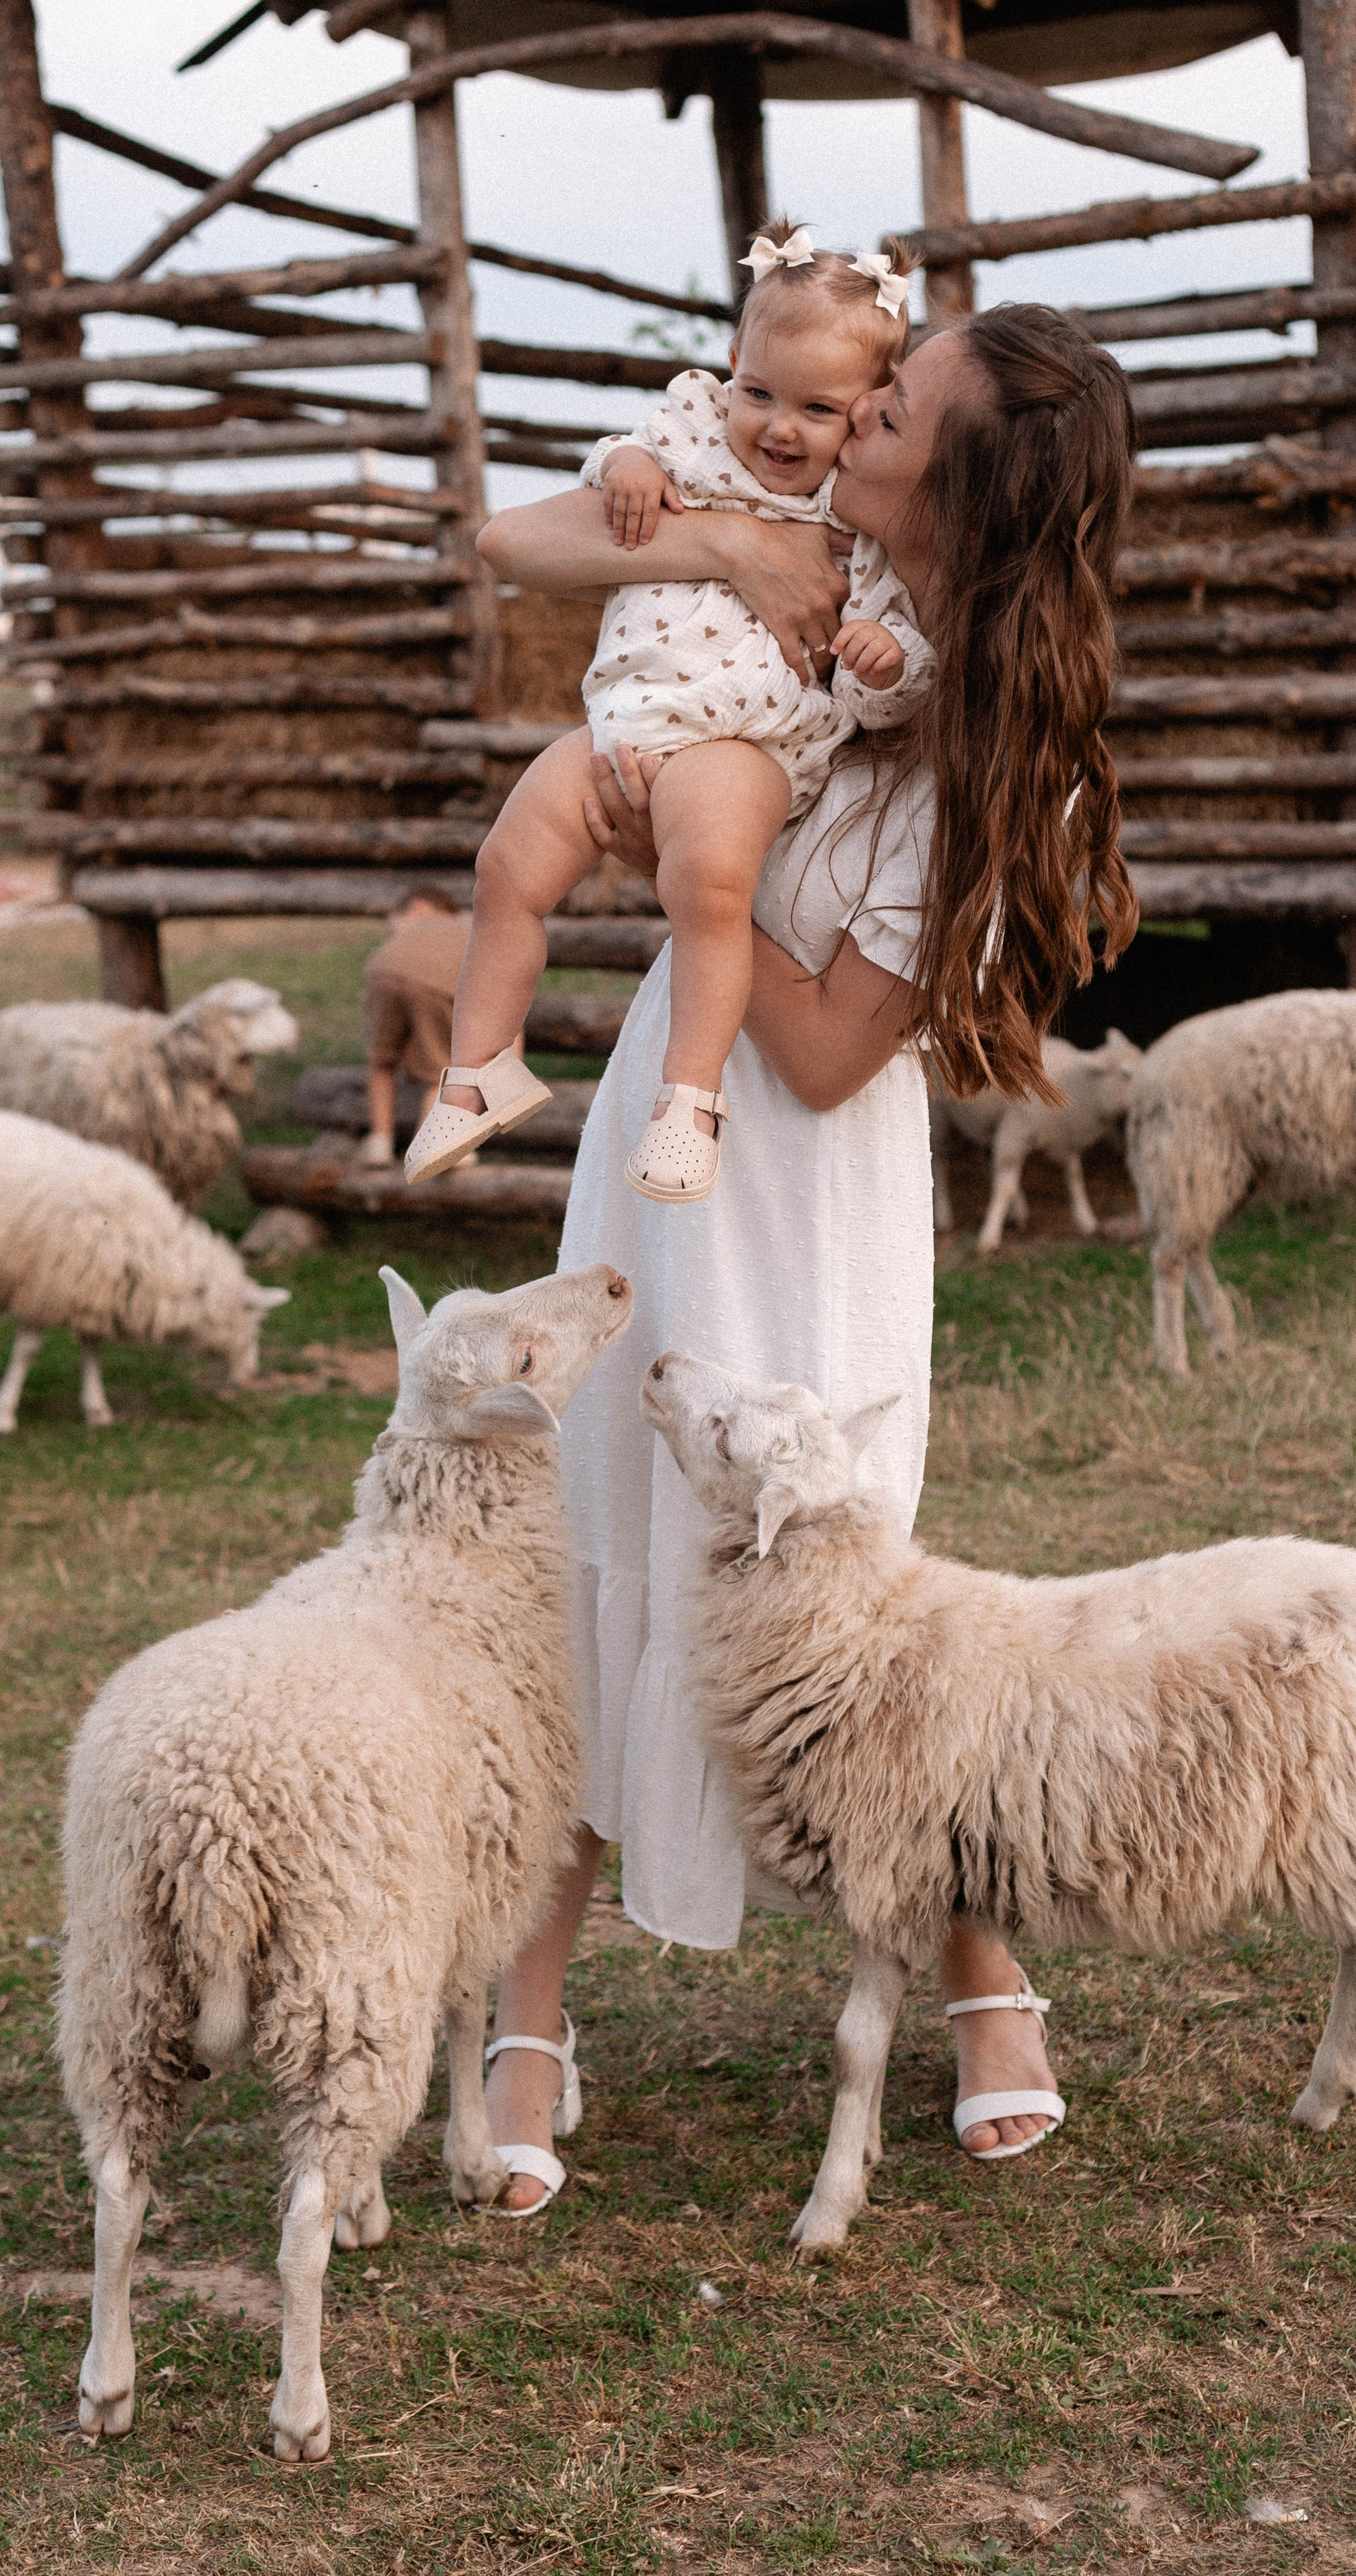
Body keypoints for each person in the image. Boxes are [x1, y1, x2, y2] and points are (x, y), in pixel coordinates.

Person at [468, 302, 1140, 2215]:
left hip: (813, 1194)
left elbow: (842, 1040)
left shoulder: (996, 754)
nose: (844, 420)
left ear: (968, 484)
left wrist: (695, 869)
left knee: (843, 1598)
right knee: (589, 1534)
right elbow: (516, 544)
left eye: (890, 413)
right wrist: (721, 548)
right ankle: (531, 1998)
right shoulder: (779, 555)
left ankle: (971, 1965)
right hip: (661, 1165)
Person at [403, 226, 934, 1207]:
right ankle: (480, 1070)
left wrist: (884, 660)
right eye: (762, 393)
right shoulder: (695, 431)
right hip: (626, 718)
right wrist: (624, 470)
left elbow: (893, 667)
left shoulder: (853, 520)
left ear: (861, 412)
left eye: (818, 410)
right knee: (507, 866)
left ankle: (689, 1098)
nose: (780, 427)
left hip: (745, 741)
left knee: (704, 884)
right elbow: (607, 468)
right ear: (731, 368)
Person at [359, 885, 469, 1166]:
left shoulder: (407, 934)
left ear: (419, 907)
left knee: (382, 1062)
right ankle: (432, 1143)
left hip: (381, 969)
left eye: (391, 922)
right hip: (438, 980)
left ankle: (380, 1142)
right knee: (441, 1069)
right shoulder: (464, 929)